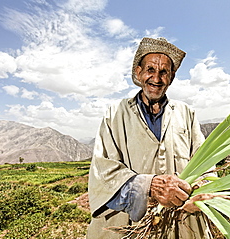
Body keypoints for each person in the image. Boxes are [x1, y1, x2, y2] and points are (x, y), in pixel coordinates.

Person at [87, 37, 213, 238]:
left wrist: (199, 191)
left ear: (171, 76)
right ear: (139, 72)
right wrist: (150, 186)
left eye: (164, 72)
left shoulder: (186, 113)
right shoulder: (116, 114)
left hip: (182, 224)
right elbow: (103, 171)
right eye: (150, 70)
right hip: (133, 228)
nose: (157, 78)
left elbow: (206, 163)